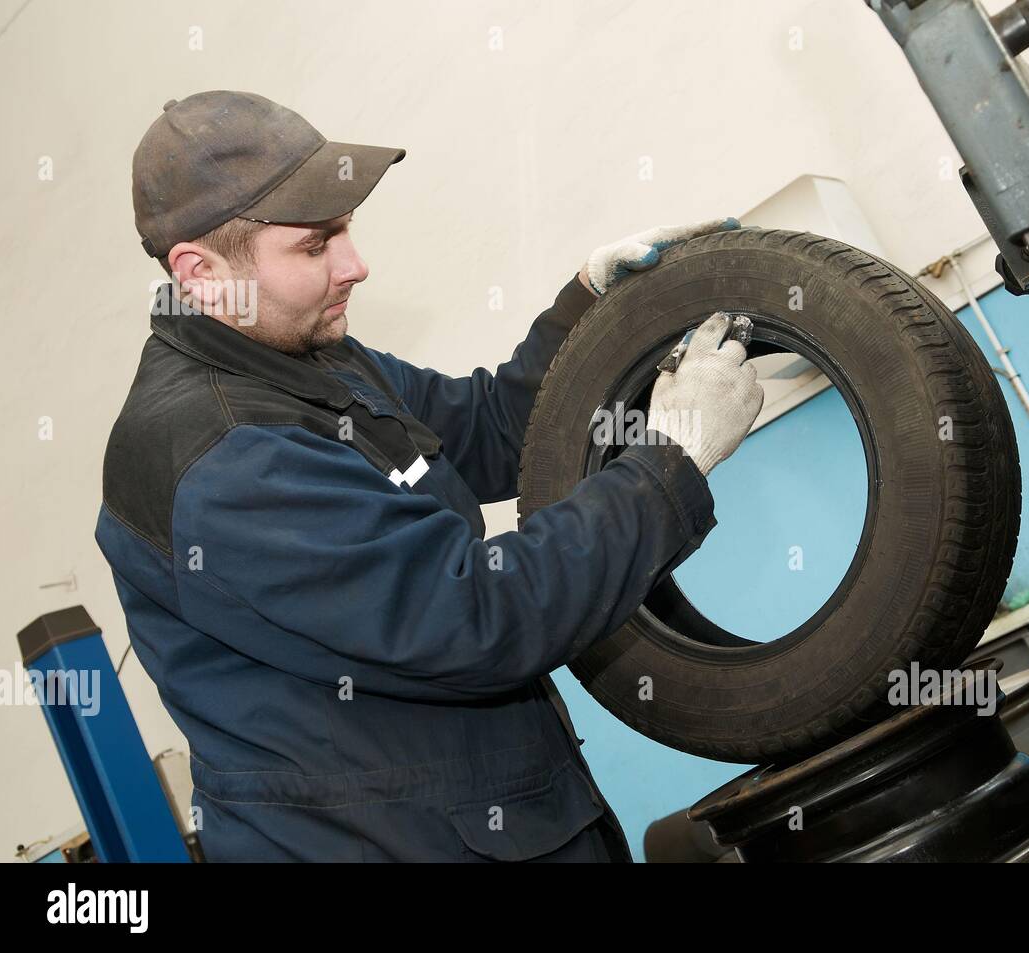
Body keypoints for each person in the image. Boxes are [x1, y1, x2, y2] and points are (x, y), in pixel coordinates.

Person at [96, 90, 764, 861]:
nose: (356, 265)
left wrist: (591, 305)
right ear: (202, 274)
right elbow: (474, 616)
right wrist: (672, 461)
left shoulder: (307, 360)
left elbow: (488, 429)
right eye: (316, 247)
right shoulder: (221, 458)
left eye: (346, 230)